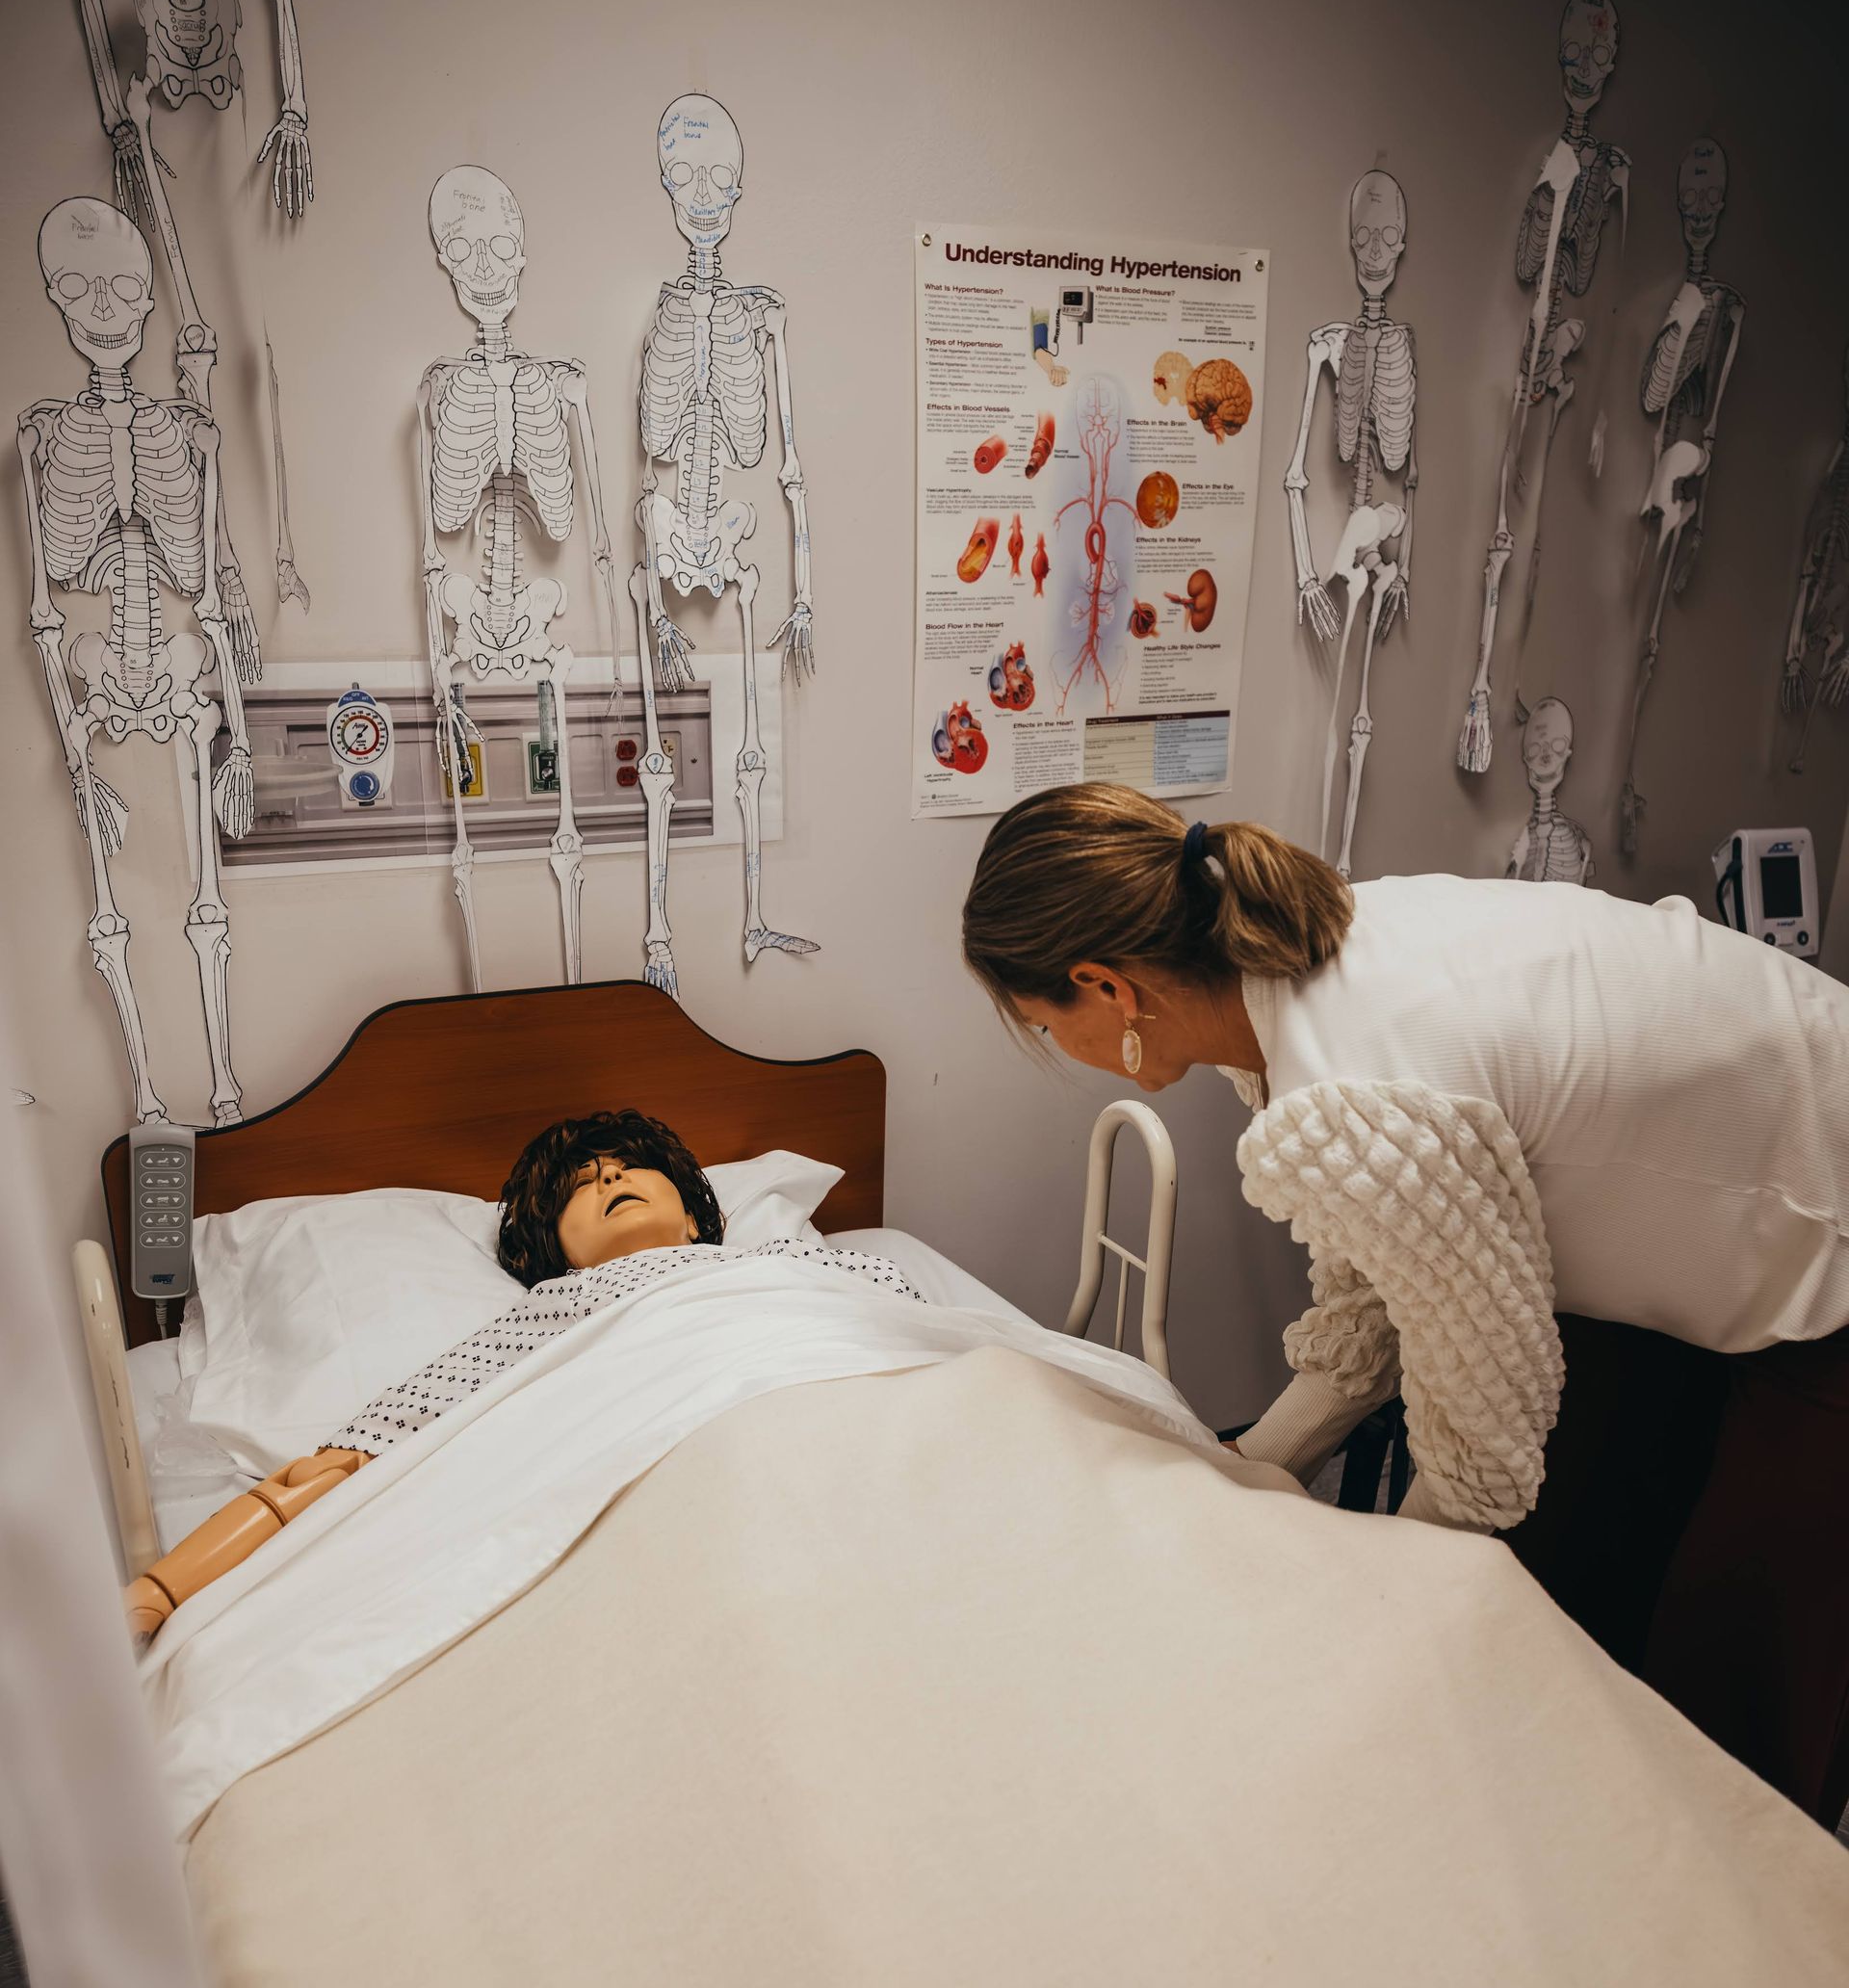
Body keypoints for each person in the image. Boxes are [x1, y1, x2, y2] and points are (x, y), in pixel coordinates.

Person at [962, 781, 1849, 1823]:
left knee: (1730, 1682)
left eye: (1040, 1025)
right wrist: (1238, 1471)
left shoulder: (1362, 1077)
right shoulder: (1300, 971)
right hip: (1690, 1224)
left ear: (1104, 986)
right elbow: (1385, 1296)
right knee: (1577, 1588)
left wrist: (1363, 1603)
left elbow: (1484, 1454)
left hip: (1821, 1233)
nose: (1052, 1054)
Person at [124, 1111, 915, 1645]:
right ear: (553, 1255)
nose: (607, 1181)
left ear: (696, 1214)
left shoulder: (798, 1263)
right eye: (579, 1187)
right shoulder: (551, 1317)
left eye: (629, 1168)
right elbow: (344, 1462)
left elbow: (926, 1343)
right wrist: (159, 1591)